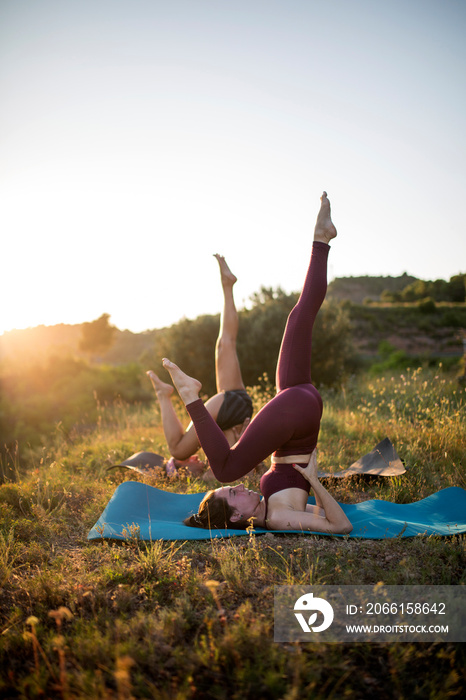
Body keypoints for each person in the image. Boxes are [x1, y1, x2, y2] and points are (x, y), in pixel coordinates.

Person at [161, 192, 352, 535]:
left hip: (298, 409)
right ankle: (191, 396)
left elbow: (321, 513)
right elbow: (340, 526)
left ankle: (321, 238)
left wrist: (312, 481)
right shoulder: (278, 519)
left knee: (299, 317)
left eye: (234, 490)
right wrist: (314, 479)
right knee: (225, 468)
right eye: (234, 495)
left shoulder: (272, 508)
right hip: (297, 413)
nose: (241, 487)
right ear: (236, 518)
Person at [146, 254, 254, 478]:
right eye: (186, 463)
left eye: (183, 462)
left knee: (225, 344)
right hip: (236, 405)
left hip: (232, 406)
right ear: (187, 473)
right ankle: (164, 394)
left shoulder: (213, 466)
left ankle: (227, 286)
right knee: (226, 344)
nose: (191, 459)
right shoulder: (212, 472)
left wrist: (178, 459)